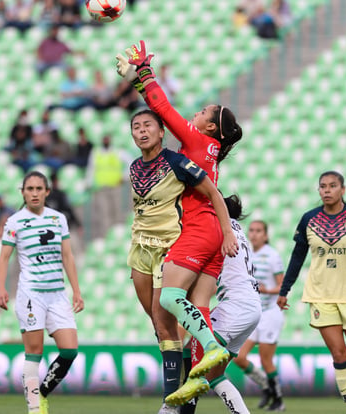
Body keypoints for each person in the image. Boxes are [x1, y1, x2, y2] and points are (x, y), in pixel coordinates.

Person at [117, 40, 242, 403]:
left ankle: (211, 349)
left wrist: (144, 73)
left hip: (199, 228)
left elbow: (164, 111)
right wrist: (137, 82)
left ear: (212, 127)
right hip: (213, 235)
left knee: (170, 300)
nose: (197, 114)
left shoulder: (197, 142)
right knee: (197, 308)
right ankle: (194, 384)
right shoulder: (209, 150)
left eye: (204, 111)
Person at [0, 170, 84, 414]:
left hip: (57, 294)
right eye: (29, 189)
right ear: (23, 192)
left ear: (47, 192)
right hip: (31, 295)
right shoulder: (14, 221)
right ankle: (34, 409)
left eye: (38, 189)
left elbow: (68, 255)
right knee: (34, 351)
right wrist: (1, 288)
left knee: (70, 350)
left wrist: (76, 291)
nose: (34, 193)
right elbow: (4, 257)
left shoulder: (58, 218)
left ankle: (43, 392)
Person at [277, 171, 346, 414]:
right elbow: (297, 256)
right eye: (323, 186)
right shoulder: (308, 219)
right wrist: (285, 289)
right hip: (321, 297)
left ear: (342, 189)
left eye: (333, 186)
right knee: (339, 354)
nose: (327, 190)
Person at [180, 194, 262, 413]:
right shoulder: (238, 232)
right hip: (251, 306)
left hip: (236, 306)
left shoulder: (218, 229)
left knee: (195, 358)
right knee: (214, 375)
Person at [232, 220, 285, 411]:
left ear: (266, 235)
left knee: (266, 359)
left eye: (258, 231)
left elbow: (282, 286)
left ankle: (278, 399)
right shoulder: (245, 252)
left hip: (271, 313)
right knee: (238, 357)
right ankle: (266, 386)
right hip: (254, 312)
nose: (254, 234)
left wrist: (266, 290)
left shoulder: (272, 256)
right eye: (251, 230)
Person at [86, 134, 130, 238]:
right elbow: (91, 169)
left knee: (118, 212)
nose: (106, 140)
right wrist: (89, 183)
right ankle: (107, 238)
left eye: (107, 137)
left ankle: (120, 237)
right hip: (101, 188)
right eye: (104, 138)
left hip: (116, 187)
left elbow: (131, 163)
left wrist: (124, 177)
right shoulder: (96, 152)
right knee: (104, 214)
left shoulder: (118, 151)